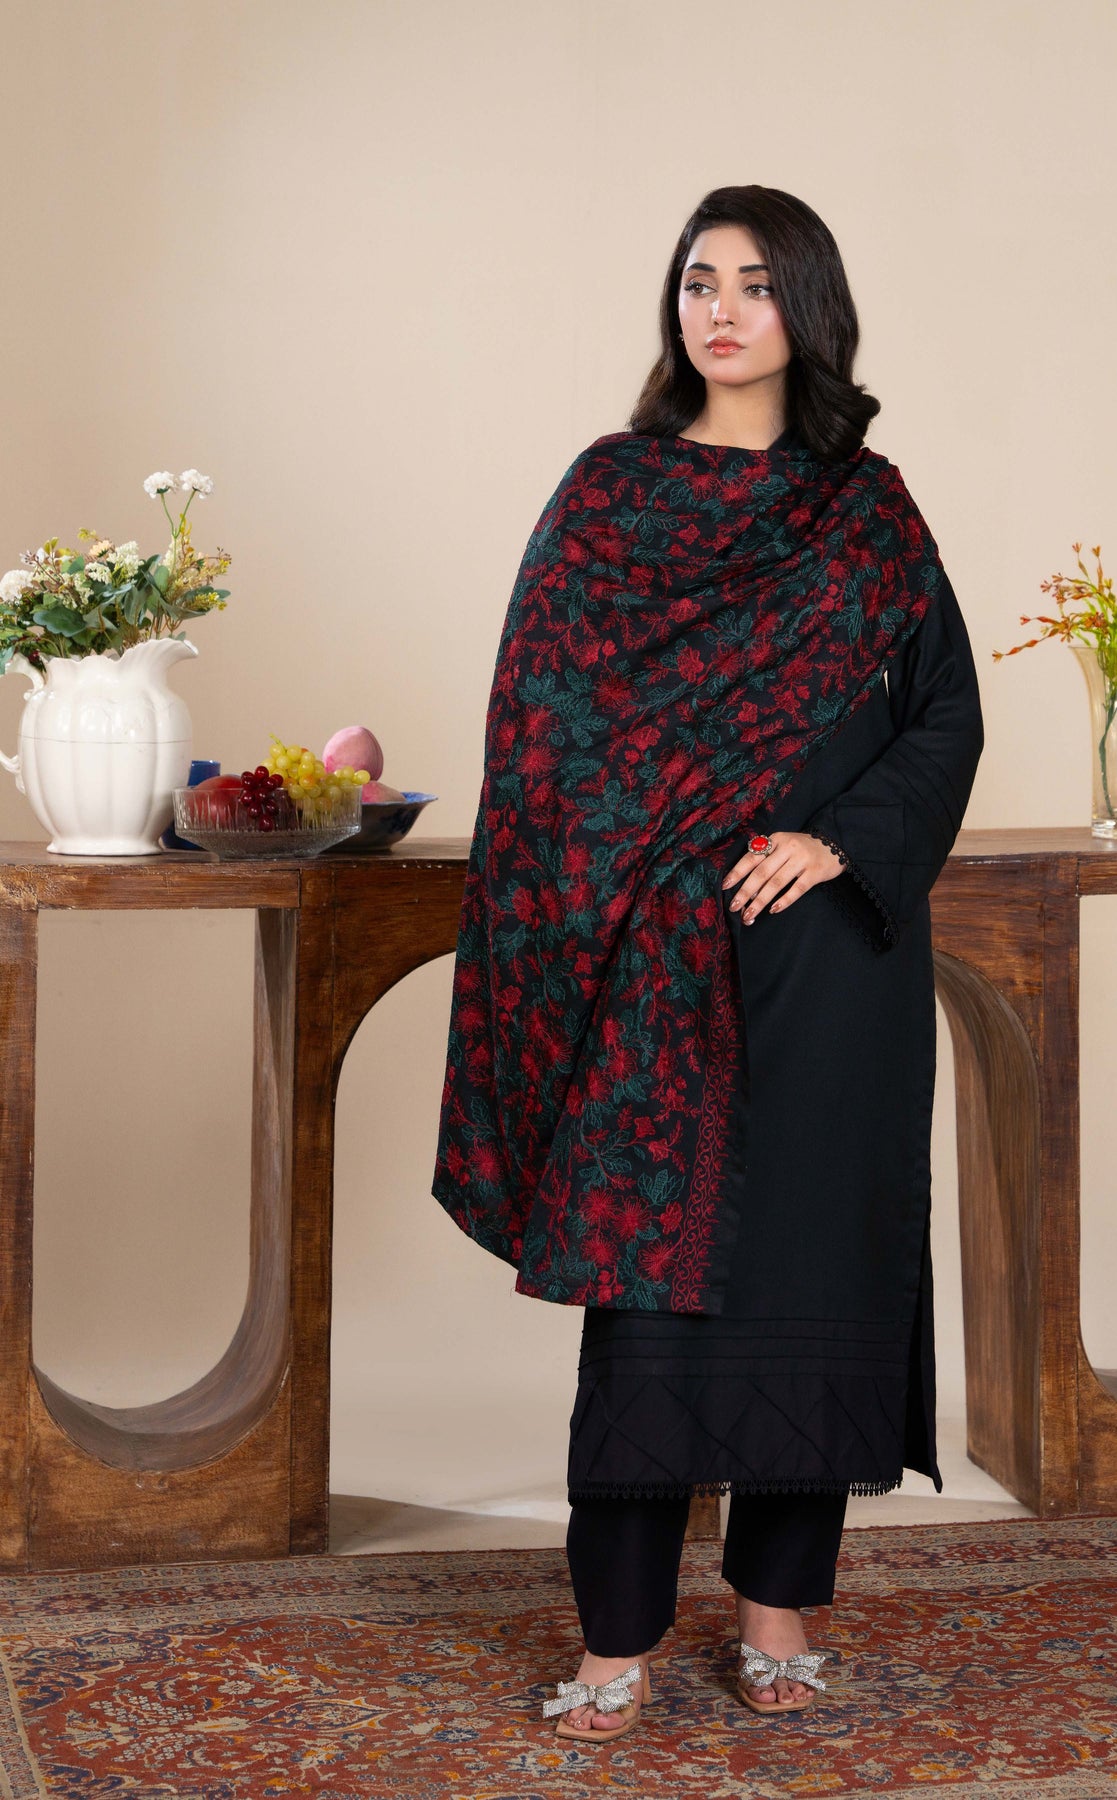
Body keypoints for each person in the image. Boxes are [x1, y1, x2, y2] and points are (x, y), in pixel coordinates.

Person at [432, 184, 984, 1745]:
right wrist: (650, 868)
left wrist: (839, 843)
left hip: (828, 964)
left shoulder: (863, 507)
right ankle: (615, 1637)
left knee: (816, 1273)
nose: (720, 309)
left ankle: (778, 1612)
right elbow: (543, 727)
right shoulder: (612, 495)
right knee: (651, 1291)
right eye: (696, 281)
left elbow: (942, 715)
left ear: (808, 307)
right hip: (655, 967)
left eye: (753, 282)